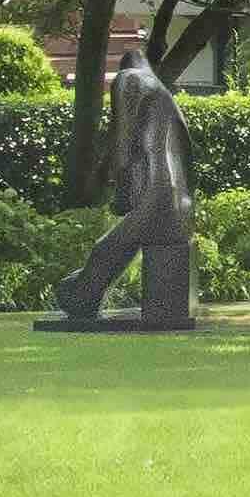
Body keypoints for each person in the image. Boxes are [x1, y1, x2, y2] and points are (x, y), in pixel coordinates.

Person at [40, 50, 200, 332]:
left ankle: (80, 296)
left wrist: (117, 184)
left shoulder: (129, 80)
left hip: (158, 192)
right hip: (178, 199)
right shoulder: (163, 93)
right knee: (117, 244)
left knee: (106, 249)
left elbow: (123, 141)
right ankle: (83, 294)